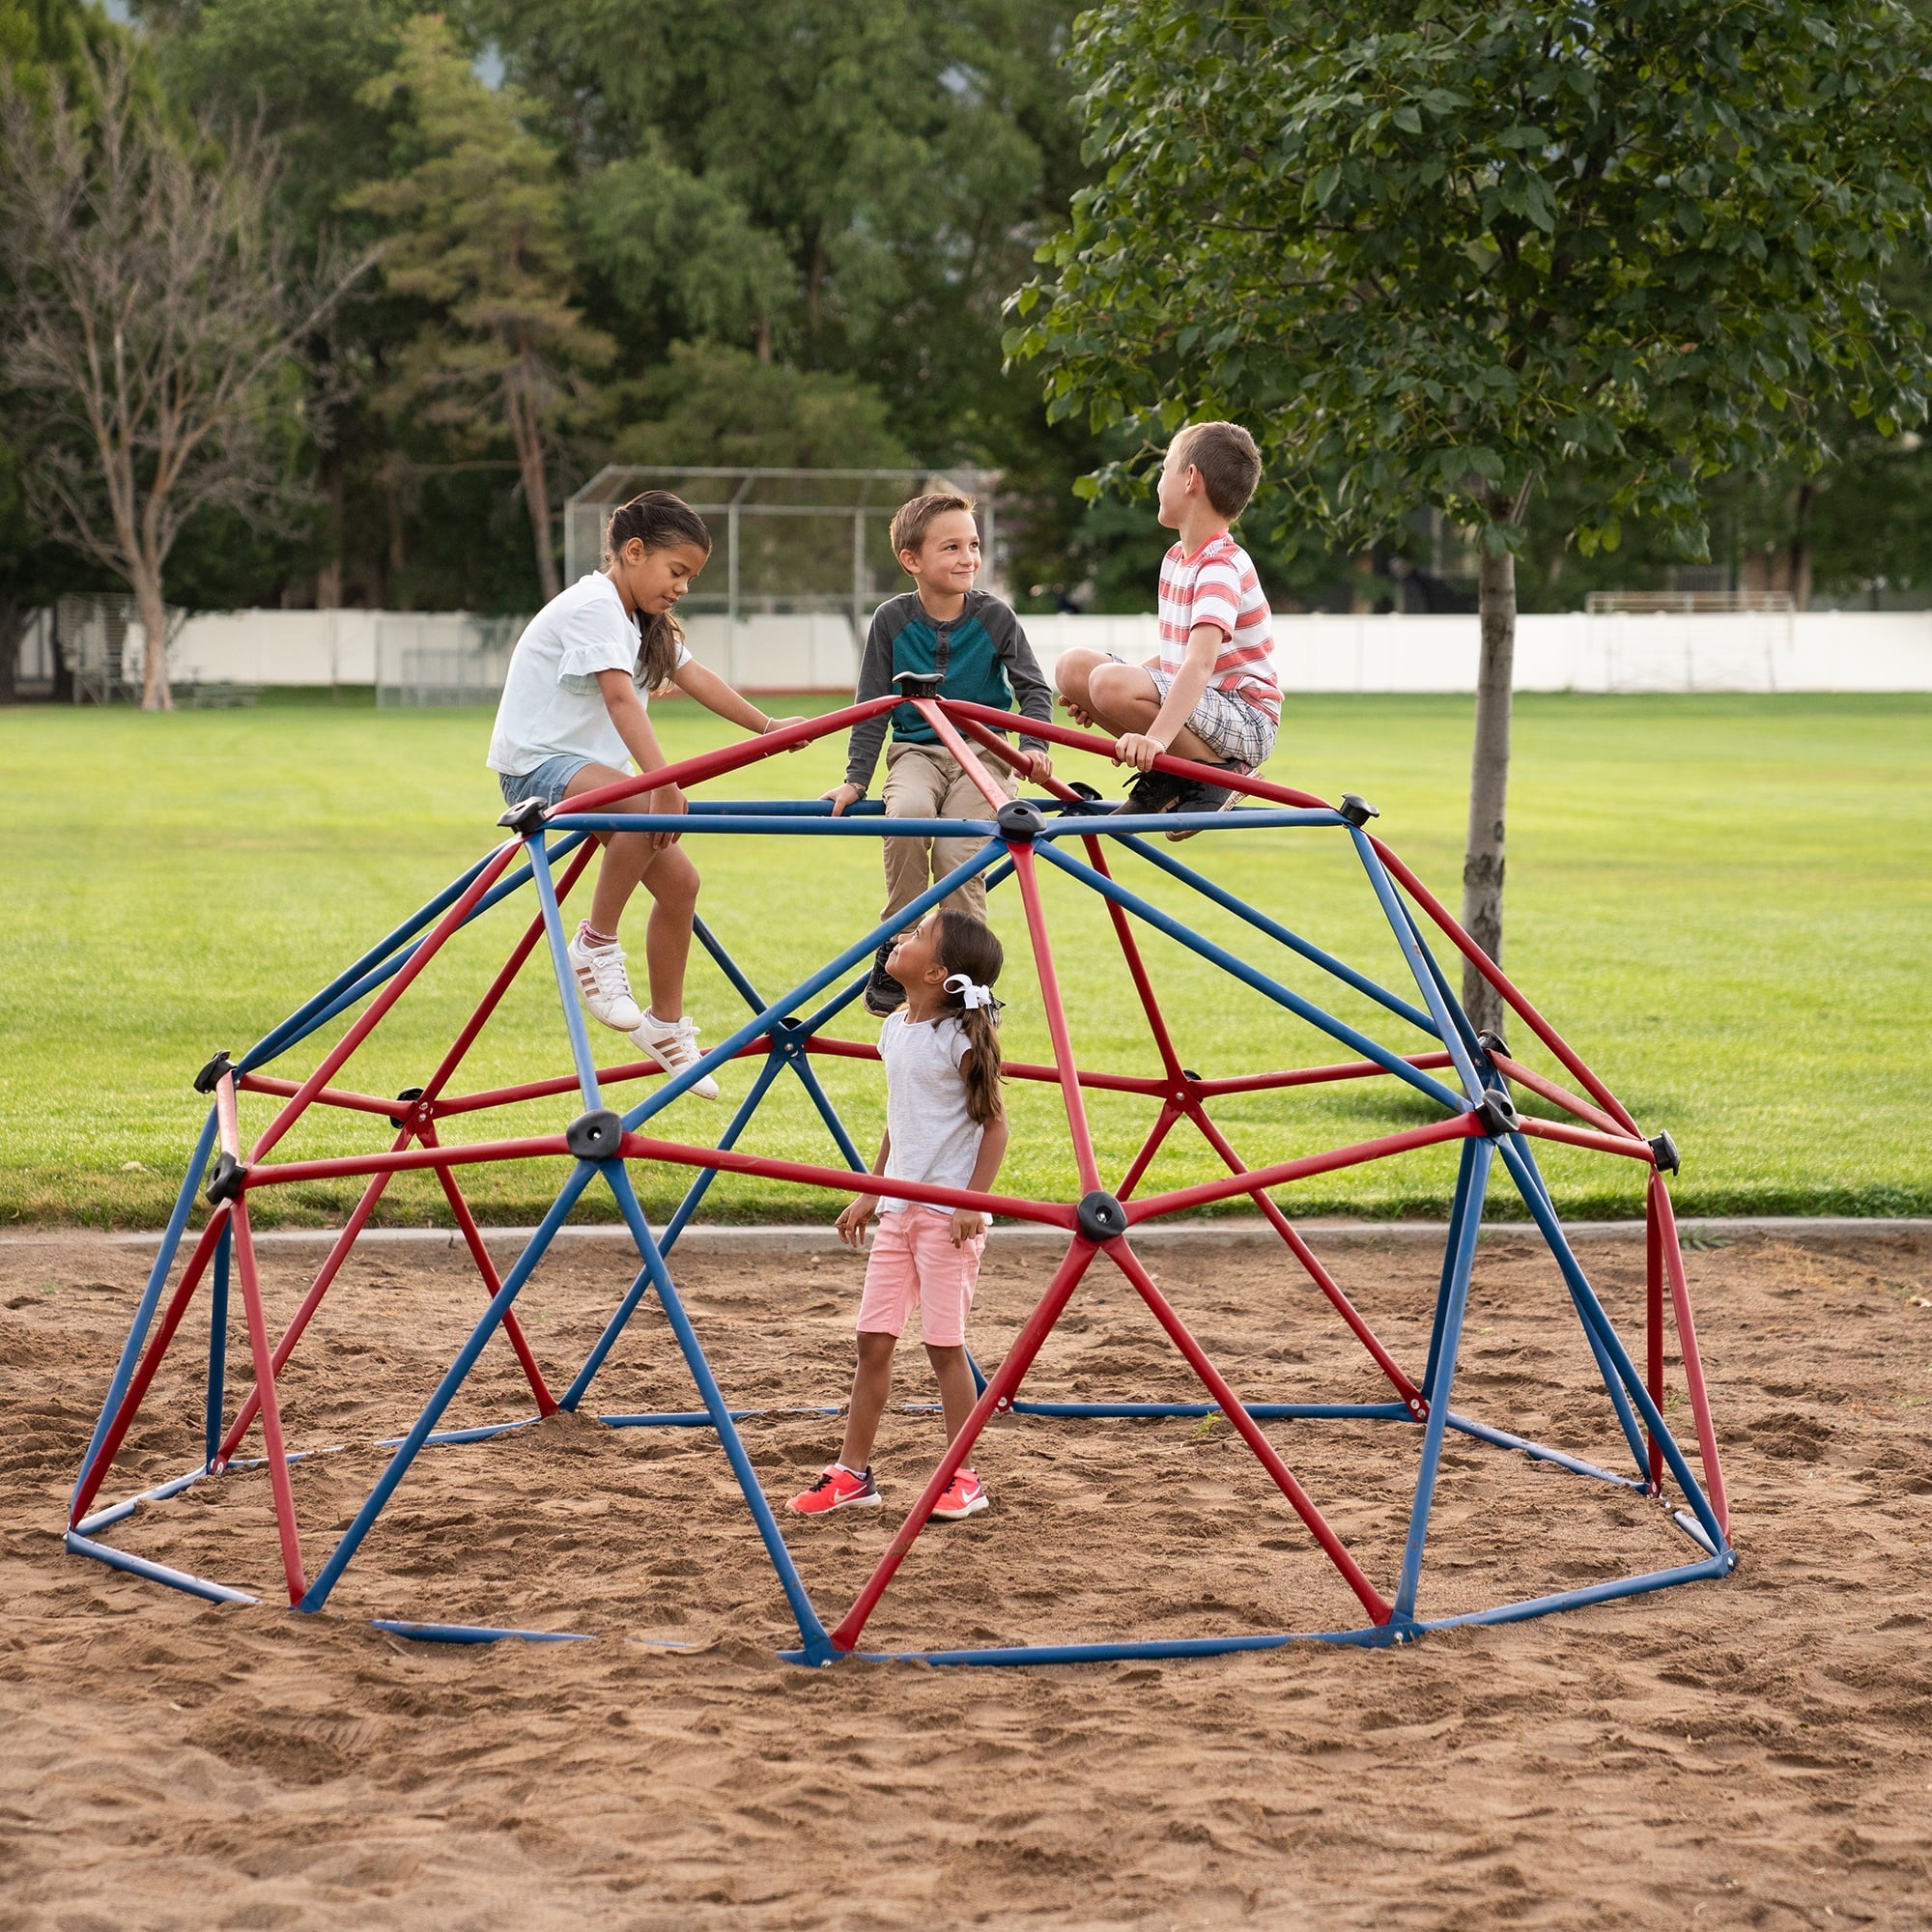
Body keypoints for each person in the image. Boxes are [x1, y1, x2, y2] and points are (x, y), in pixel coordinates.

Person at [487, 490, 802, 1101]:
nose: (683, 587)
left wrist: (768, 728)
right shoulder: (593, 605)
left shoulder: (639, 621)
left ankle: (665, 1023)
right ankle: (595, 943)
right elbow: (620, 698)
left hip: (590, 771)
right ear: (633, 552)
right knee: (641, 809)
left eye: (690, 577)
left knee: (682, 884)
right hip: (538, 766)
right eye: (676, 571)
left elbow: (695, 676)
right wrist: (663, 782)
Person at [789, 910, 1009, 1522]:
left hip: (948, 1219)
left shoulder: (959, 1042)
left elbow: (995, 1127)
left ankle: (963, 1475)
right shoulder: (895, 1030)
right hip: (899, 1211)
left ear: (938, 972)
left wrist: (972, 1201)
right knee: (872, 1340)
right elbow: (900, 1120)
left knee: (944, 1348)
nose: (901, 939)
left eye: (916, 938)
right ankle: (853, 1474)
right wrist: (870, 1190)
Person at [822, 493, 1054, 1015]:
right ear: (912, 560)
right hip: (916, 752)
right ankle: (899, 948)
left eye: (973, 545)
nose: (968, 558)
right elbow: (872, 706)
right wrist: (856, 781)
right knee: (907, 817)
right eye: (951, 547)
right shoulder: (891, 620)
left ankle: (969, 980)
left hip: (984, 755)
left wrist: (1032, 747)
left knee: (958, 850)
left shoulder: (996, 616)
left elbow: (1035, 691)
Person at [1054, 421, 1281, 840]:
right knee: (1074, 669)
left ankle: (1215, 777)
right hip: (1205, 707)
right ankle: (1178, 778)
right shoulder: (1178, 558)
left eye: (1163, 470)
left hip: (1247, 716)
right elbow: (1175, 657)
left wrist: (1154, 738)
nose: (1158, 482)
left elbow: (1200, 662)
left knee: (1108, 682)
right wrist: (1104, 702)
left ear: (1191, 478)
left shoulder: (1219, 566)